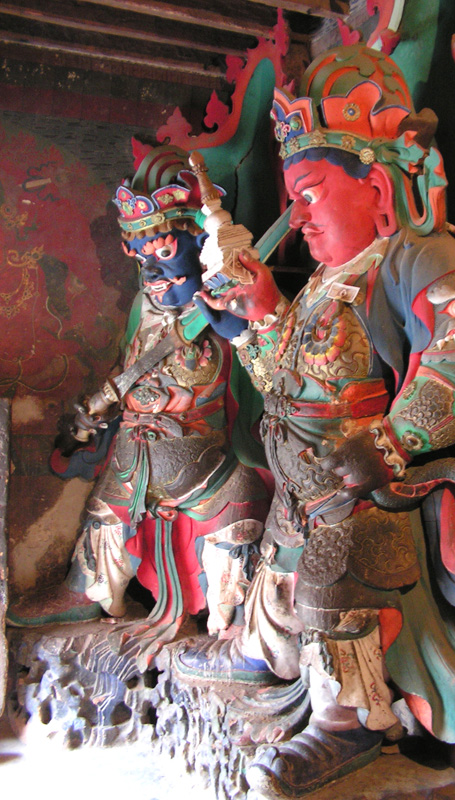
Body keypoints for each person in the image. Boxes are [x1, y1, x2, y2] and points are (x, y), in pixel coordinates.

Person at [177, 45, 455, 797]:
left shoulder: (418, 259)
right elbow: (284, 383)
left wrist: (389, 441)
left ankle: (347, 722)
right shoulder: (323, 285)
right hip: (302, 490)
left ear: (378, 187)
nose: (298, 218)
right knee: (274, 561)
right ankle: (259, 654)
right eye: (293, 200)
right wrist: (262, 315)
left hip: (372, 493)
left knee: (335, 572)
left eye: (310, 194)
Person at [8, 145, 271, 667]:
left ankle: (235, 618)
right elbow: (127, 365)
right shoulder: (143, 305)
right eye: (141, 257)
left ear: (199, 246)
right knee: (102, 516)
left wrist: (236, 327)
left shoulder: (230, 304)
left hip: (205, 454)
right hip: (134, 453)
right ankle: (87, 591)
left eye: (165, 253)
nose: (153, 271)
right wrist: (99, 408)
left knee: (239, 519)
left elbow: (262, 372)